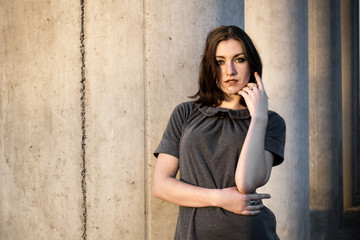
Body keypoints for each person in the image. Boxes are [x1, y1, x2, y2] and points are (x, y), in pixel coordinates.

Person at [152, 25, 286, 240]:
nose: (230, 71)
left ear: (252, 64)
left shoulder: (271, 122)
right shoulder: (186, 113)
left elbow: (247, 183)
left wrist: (259, 118)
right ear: (210, 67)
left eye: (239, 59)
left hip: (250, 233)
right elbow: (161, 185)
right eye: (220, 62)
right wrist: (220, 198)